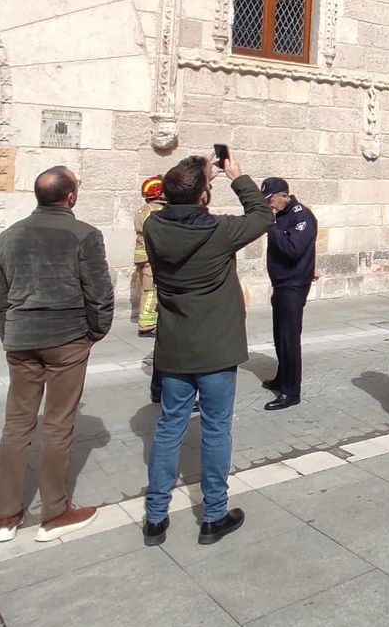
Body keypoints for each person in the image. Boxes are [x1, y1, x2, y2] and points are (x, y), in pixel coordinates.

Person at [141, 152, 272, 547]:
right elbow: (263, 216)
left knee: (168, 428)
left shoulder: (153, 227)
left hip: (176, 345)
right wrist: (235, 176)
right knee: (216, 428)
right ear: (203, 196)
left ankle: (155, 517)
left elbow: (179, 205)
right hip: (216, 347)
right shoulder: (218, 231)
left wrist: (195, 176)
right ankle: (214, 514)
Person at [0, 166, 113, 542]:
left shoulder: (9, 235)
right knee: (58, 423)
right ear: (71, 196)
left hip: (21, 338)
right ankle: (55, 511)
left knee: (17, 423)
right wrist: (95, 331)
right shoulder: (85, 234)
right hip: (66, 337)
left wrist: (8, 331)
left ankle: (5, 516)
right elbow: (99, 291)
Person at [260, 176, 319, 411]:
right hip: (281, 284)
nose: (269, 206)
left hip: (293, 285)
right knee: (279, 334)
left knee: (289, 338)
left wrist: (272, 228)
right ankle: (282, 376)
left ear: (284, 195)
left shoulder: (301, 216)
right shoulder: (282, 215)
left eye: (271, 200)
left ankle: (291, 391)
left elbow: (293, 249)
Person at [134, 175, 164, 335]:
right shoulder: (156, 211)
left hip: (144, 258)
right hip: (151, 258)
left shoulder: (144, 209)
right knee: (151, 291)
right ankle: (146, 326)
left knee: (149, 289)